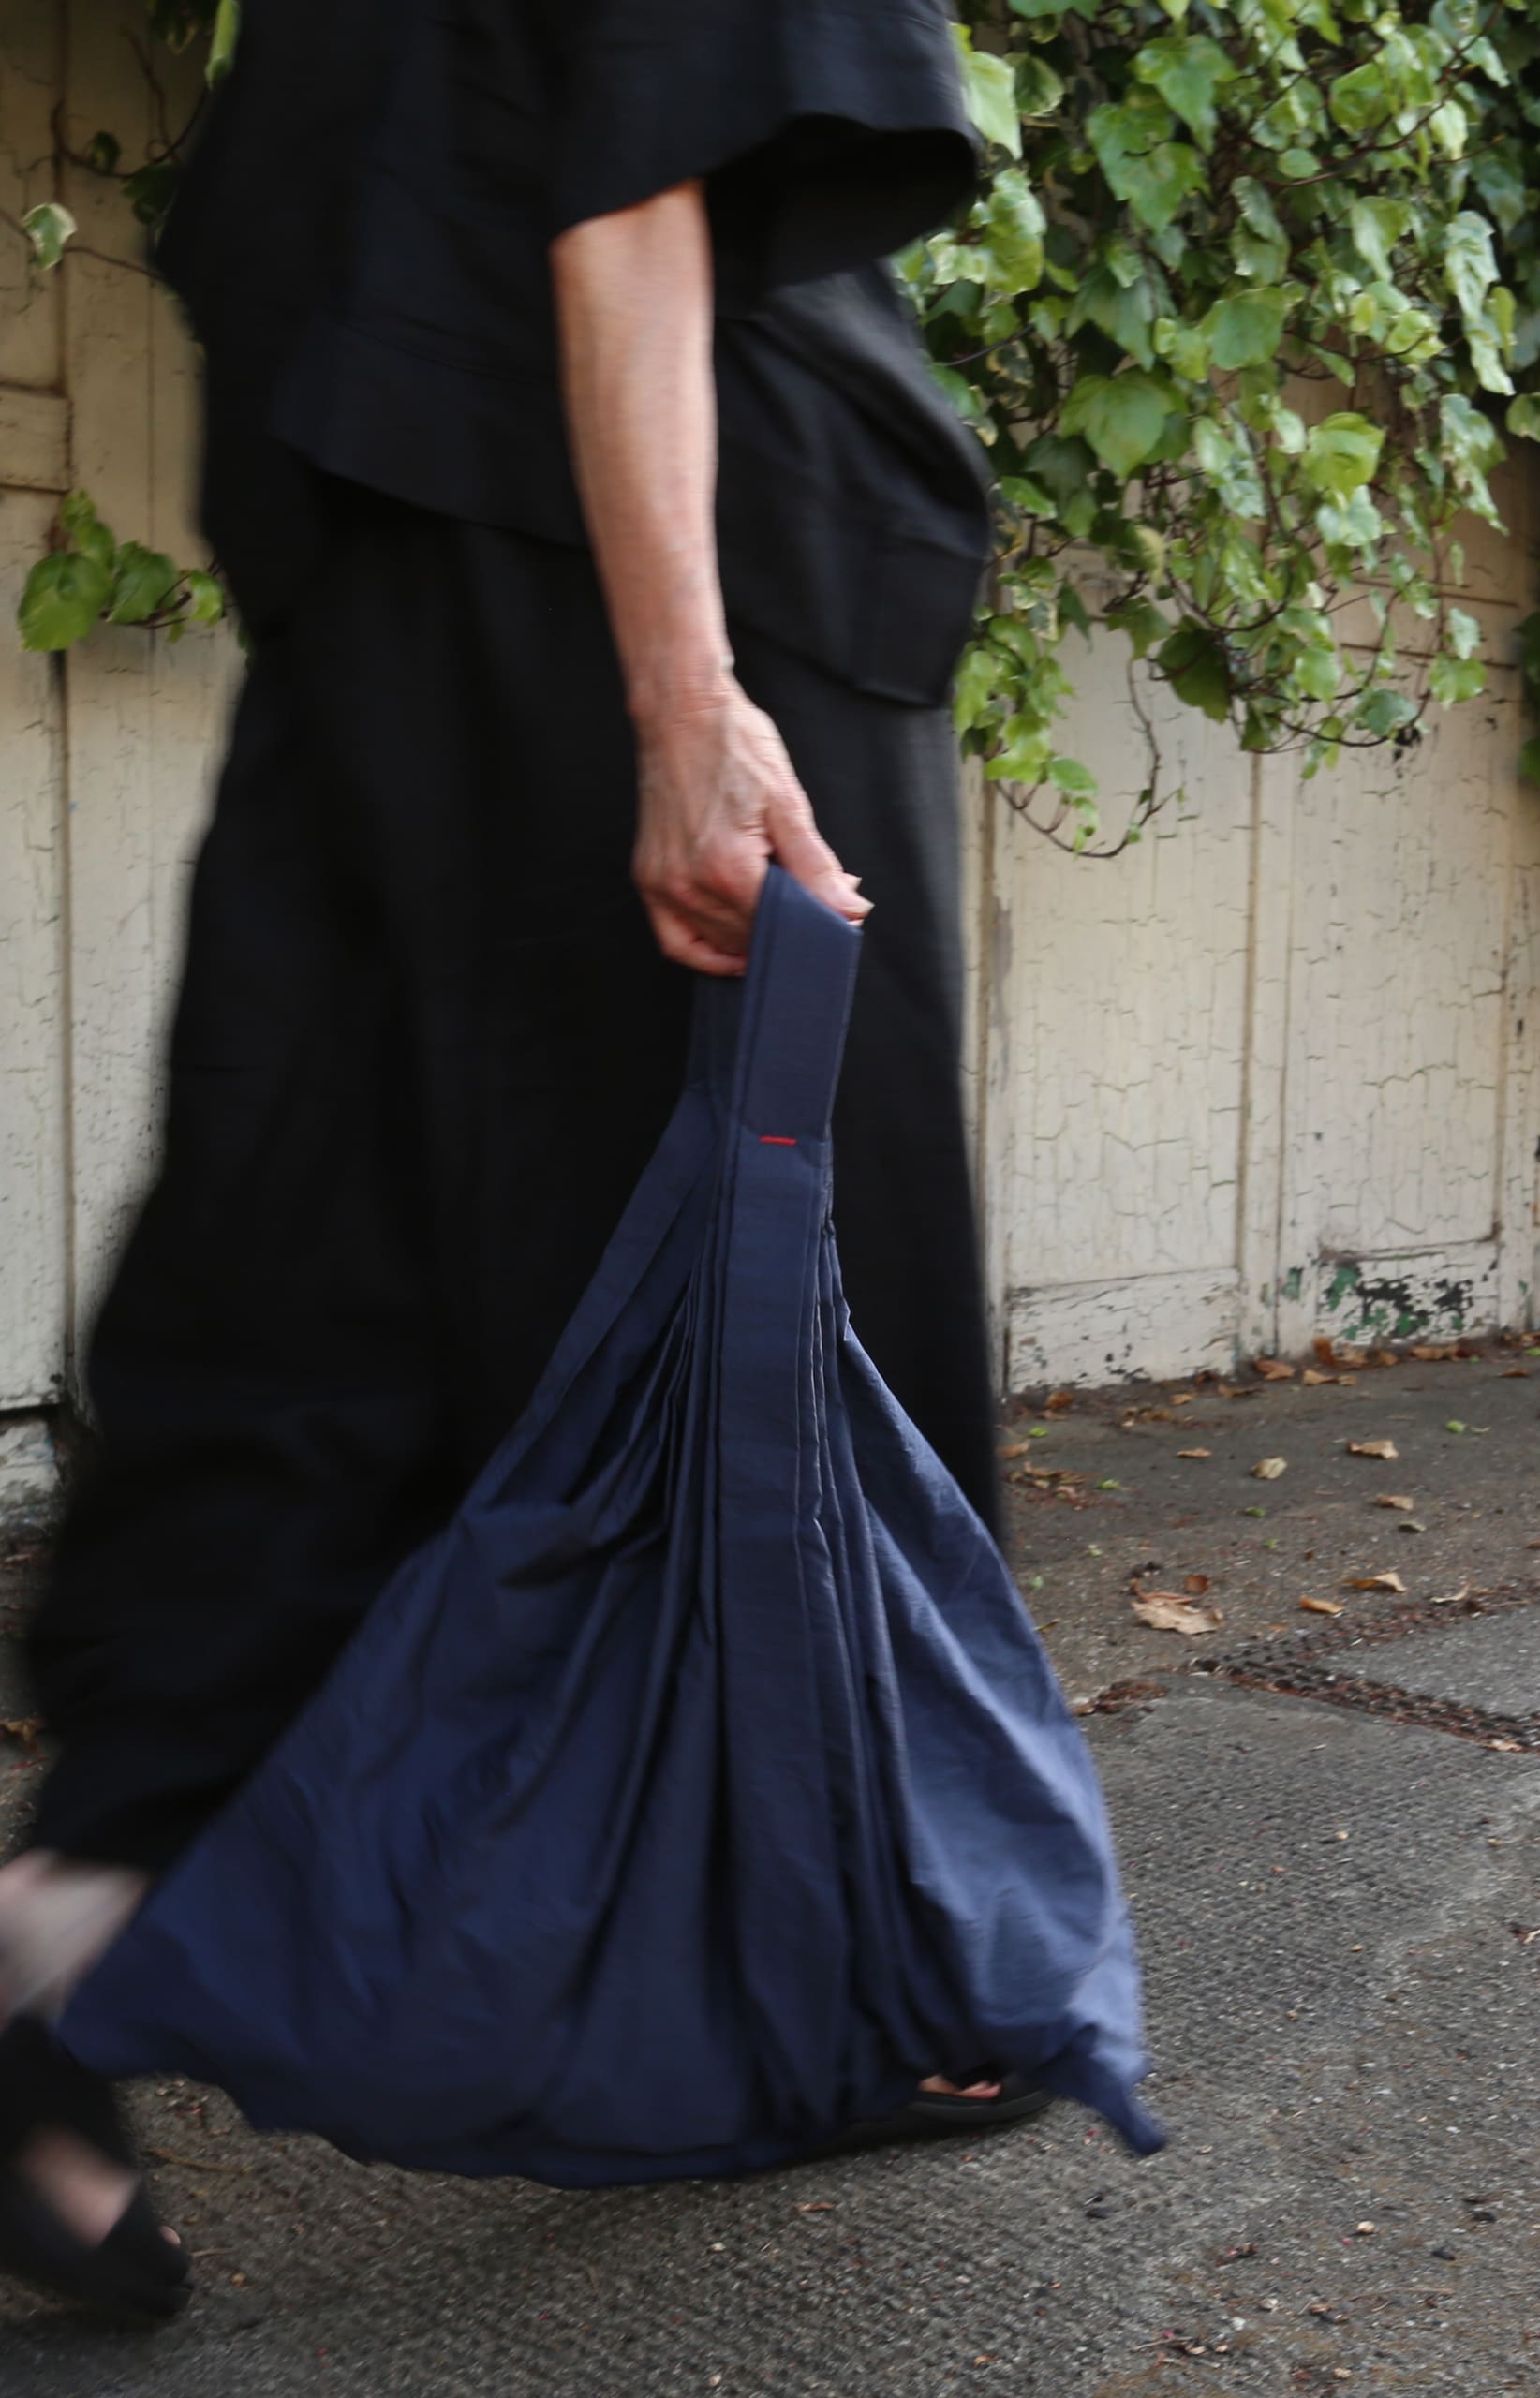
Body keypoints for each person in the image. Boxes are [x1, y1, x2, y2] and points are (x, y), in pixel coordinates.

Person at [0, 0, 1020, 2320]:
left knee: (330, 1267)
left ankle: (53, 1945)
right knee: (733, 1299)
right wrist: (688, 693)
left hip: (413, 513)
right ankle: (847, 1954)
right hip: (650, 537)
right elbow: (632, 159)